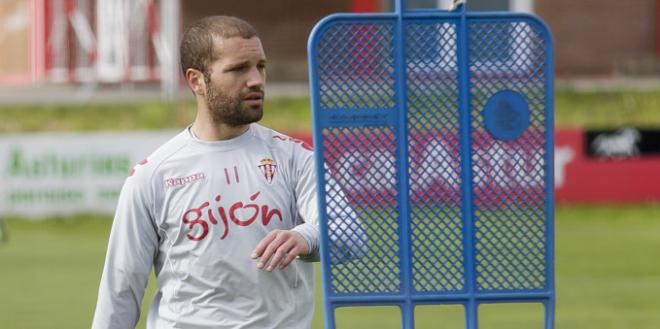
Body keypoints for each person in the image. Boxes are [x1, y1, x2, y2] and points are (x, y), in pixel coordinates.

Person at [92, 15, 331, 329]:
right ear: (196, 81)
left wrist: (306, 235)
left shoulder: (294, 158)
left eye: (260, 66)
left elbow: (349, 234)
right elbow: (120, 291)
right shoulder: (152, 176)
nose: (256, 80)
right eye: (237, 69)